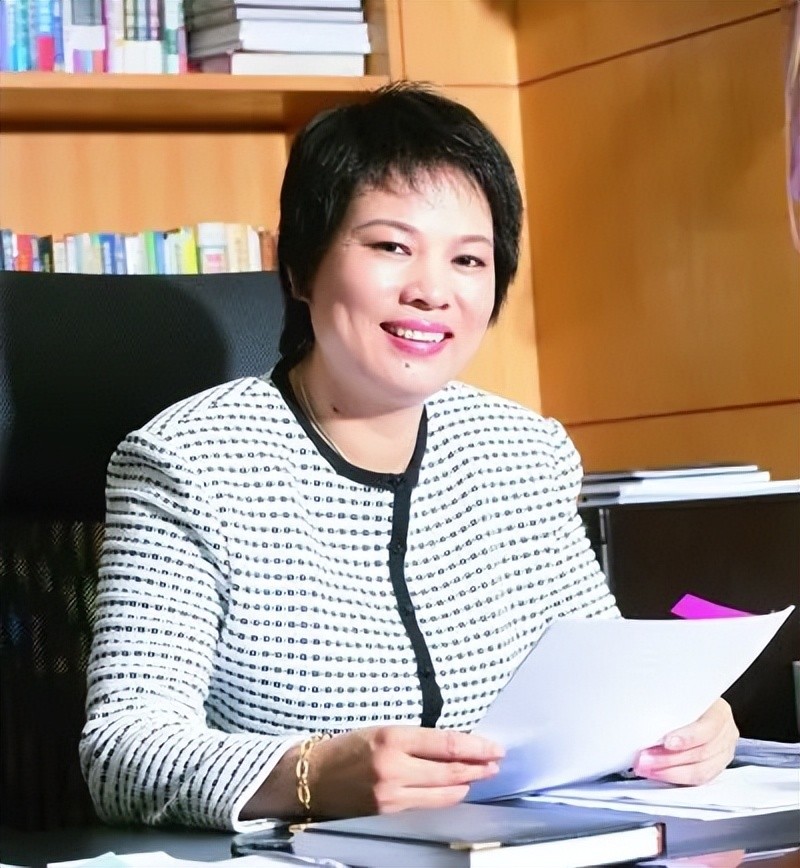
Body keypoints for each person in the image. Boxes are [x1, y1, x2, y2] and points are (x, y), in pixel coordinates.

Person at [80, 82, 738, 831]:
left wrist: (684, 727)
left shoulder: (523, 453)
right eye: (392, 247)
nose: (431, 291)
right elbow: (122, 751)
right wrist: (311, 776)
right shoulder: (190, 463)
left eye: (469, 259)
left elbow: (605, 682)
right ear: (300, 266)